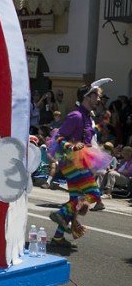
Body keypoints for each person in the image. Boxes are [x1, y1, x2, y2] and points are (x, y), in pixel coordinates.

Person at [48, 83, 111, 248]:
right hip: (72, 160)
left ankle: (58, 237)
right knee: (94, 194)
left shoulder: (87, 117)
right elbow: (59, 137)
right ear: (87, 96)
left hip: (79, 160)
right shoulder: (75, 115)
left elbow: (90, 133)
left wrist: (103, 122)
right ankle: (60, 213)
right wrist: (71, 146)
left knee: (75, 201)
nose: (98, 99)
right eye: (96, 96)